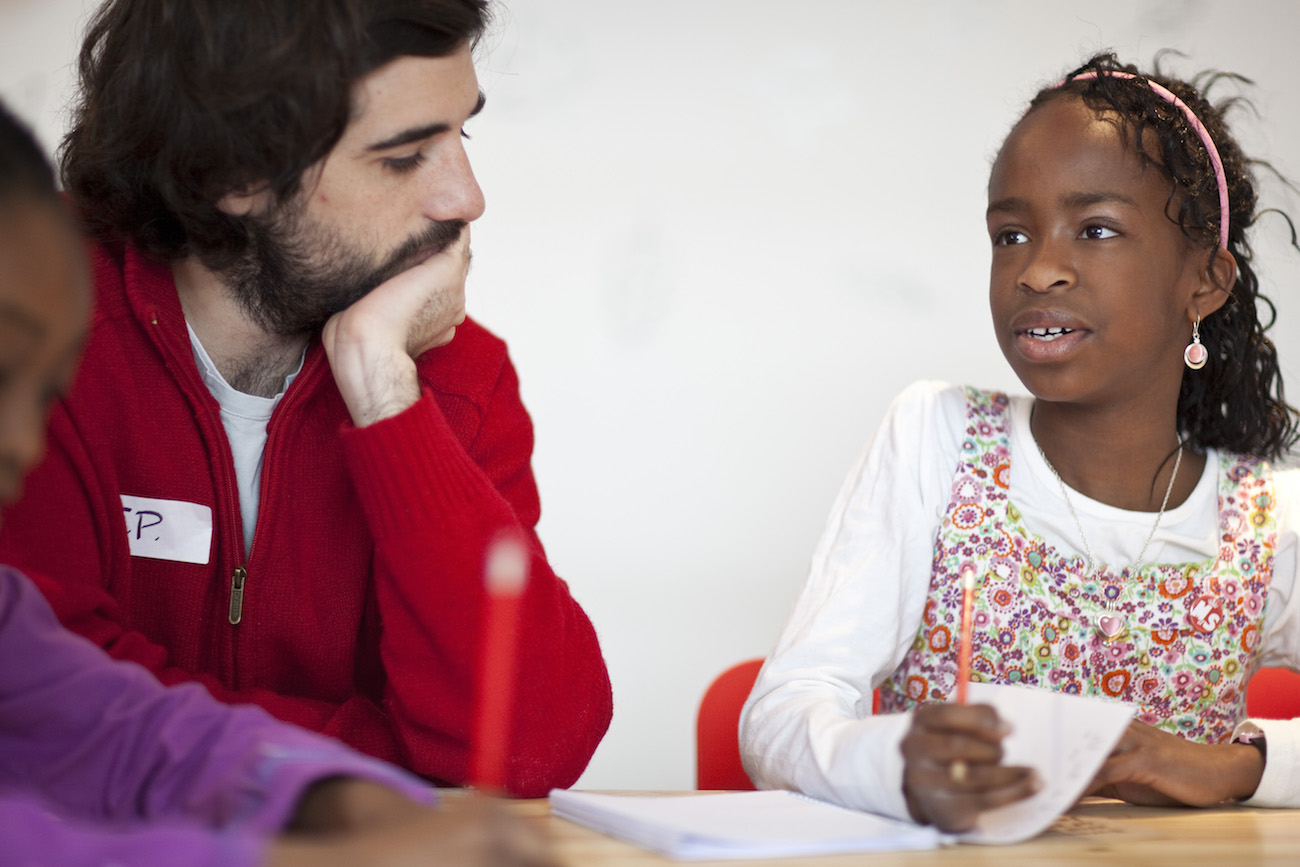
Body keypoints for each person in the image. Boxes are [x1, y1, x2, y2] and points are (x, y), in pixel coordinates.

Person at [0, 0, 611, 799]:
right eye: (403, 156)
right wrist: (384, 761)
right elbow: (41, 716)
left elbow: (528, 747)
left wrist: (388, 402)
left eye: (460, 134)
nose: (467, 198)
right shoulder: (37, 337)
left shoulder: (457, 377)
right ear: (230, 174)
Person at [740, 53, 1300, 833]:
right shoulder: (936, 436)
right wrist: (892, 762)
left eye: (1096, 228)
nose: (1037, 269)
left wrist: (1232, 764)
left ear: (1204, 281)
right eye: (1010, 234)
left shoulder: (1268, 519)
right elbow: (781, 711)